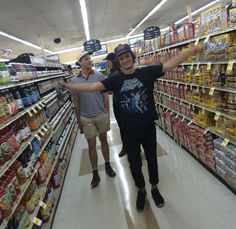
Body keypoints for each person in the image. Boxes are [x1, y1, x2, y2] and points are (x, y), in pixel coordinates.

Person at [56, 43, 203, 211]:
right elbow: (92, 87)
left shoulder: (146, 73)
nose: (125, 60)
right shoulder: (115, 80)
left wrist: (192, 50)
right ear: (118, 61)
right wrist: (68, 86)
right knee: (134, 163)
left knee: (152, 159)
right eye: (121, 58)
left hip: (148, 127)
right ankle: (141, 190)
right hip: (128, 130)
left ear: (132, 57)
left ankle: (154, 188)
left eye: (127, 56)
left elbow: (170, 64)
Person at [71, 50, 116, 189]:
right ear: (80, 63)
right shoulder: (74, 81)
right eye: (85, 59)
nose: (89, 60)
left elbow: (105, 95)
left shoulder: (99, 75)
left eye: (89, 58)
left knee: (103, 140)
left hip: (100, 114)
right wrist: (78, 120)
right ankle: (95, 172)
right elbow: (76, 101)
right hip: (86, 117)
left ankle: (108, 165)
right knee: (91, 145)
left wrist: (107, 113)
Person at [104, 52, 126, 157]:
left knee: (126, 126)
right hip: (116, 102)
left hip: (124, 103)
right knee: (121, 126)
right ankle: (126, 146)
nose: (107, 64)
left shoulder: (120, 71)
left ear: (113, 61)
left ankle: (130, 146)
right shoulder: (111, 72)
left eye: (108, 61)